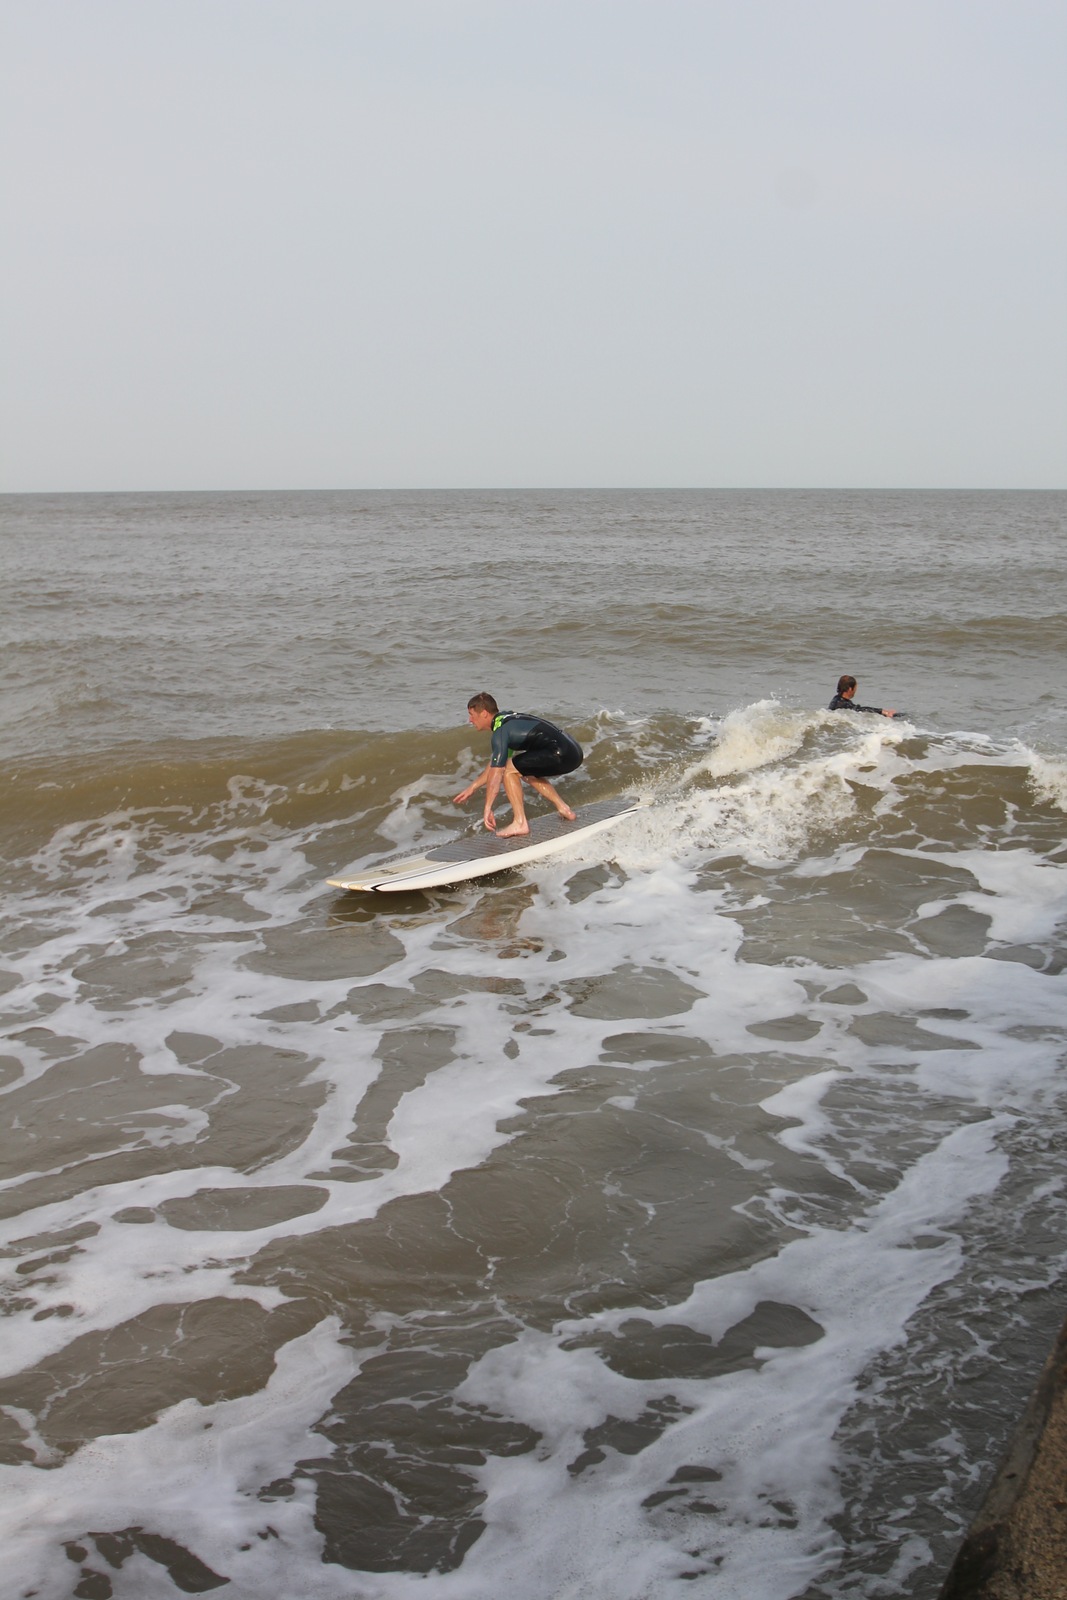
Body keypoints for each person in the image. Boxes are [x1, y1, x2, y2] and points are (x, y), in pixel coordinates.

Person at [453, 693, 583, 837]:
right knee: (522, 769)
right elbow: (495, 764)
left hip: (561, 754)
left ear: (484, 713)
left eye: (471, 714)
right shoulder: (506, 720)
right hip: (573, 751)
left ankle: (520, 822)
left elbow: (497, 773)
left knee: (510, 770)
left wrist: (488, 808)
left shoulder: (500, 733)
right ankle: (564, 809)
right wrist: (473, 787)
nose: (470, 720)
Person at [828, 675, 897, 718]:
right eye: (855, 688)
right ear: (850, 689)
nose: (855, 690)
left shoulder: (836, 699)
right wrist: (883, 712)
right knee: (897, 716)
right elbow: (861, 710)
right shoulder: (843, 703)